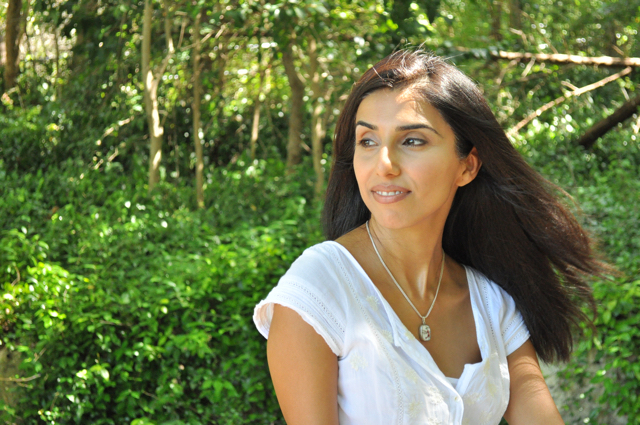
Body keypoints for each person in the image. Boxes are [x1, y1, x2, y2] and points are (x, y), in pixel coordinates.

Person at [253, 49, 605, 425]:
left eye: (413, 141)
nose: (384, 165)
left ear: (467, 166)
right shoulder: (318, 291)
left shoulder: (492, 305)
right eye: (367, 141)